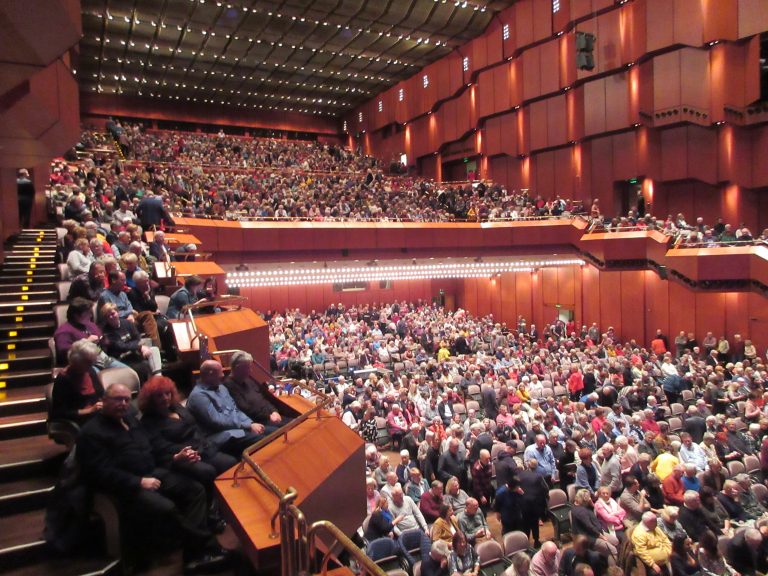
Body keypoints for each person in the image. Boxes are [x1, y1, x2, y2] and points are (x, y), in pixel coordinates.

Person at [76, 383, 227, 573]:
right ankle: (205, 547)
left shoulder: (130, 420)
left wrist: (176, 459)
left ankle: (193, 555)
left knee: (194, 489)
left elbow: (153, 449)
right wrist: (138, 482)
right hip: (125, 485)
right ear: (103, 401)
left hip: (152, 471)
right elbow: (99, 472)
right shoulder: (91, 432)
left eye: (125, 399)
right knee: (167, 507)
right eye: (117, 399)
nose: (123, 403)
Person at [186, 360, 267, 457]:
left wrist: (251, 423)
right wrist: (247, 426)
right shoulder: (198, 396)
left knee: (272, 433)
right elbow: (217, 422)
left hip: (237, 428)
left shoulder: (221, 388)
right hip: (219, 436)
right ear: (211, 374)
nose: (223, 375)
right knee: (264, 441)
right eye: (220, 371)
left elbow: (235, 410)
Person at [223, 350, 288, 432]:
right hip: (258, 421)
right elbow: (246, 409)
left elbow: (263, 399)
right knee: (288, 430)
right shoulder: (228, 385)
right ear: (238, 368)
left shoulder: (248, 379)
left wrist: (274, 411)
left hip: (270, 416)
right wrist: (268, 416)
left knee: (297, 422)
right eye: (248, 368)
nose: (251, 370)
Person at [99, 302, 160, 383]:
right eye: (108, 316)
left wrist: (139, 347)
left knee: (154, 349)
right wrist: (139, 347)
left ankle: (158, 378)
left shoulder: (127, 323)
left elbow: (137, 338)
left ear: (118, 312)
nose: (111, 317)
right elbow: (120, 346)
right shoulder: (106, 331)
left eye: (113, 313)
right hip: (121, 357)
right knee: (144, 365)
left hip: (134, 352)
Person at [50, 339, 104, 425]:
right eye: (88, 362)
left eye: (92, 361)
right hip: (81, 420)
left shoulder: (90, 370)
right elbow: (59, 412)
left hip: (98, 414)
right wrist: (90, 410)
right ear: (76, 362)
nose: (92, 365)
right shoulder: (63, 379)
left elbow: (101, 394)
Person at [571, 489, 620, 559]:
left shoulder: (584, 506)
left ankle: (607, 559)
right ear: (584, 500)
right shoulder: (580, 512)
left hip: (597, 532)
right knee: (613, 550)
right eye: (588, 498)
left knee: (615, 541)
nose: (590, 499)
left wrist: (591, 505)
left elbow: (593, 516)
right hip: (590, 538)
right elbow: (589, 527)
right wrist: (601, 536)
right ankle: (613, 568)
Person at [518, 457, 549, 547]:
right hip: (535, 504)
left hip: (523, 504)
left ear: (528, 465)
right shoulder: (538, 476)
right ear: (536, 466)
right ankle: (536, 541)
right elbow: (545, 488)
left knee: (525, 524)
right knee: (535, 523)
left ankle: (526, 542)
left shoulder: (521, 475)